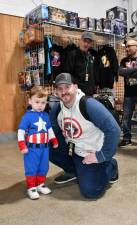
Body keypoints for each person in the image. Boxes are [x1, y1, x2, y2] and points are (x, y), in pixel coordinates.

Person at [49, 73, 121, 199]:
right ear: (56, 92)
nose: (63, 91)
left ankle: (111, 165)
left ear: (75, 87)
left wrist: (101, 155)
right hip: (74, 150)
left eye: (67, 87)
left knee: (91, 191)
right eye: (60, 88)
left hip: (91, 152)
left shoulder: (89, 105)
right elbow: (52, 131)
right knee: (44, 145)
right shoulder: (57, 108)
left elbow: (114, 130)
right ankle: (73, 170)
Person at [17, 86, 58, 200]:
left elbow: (49, 129)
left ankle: (40, 184)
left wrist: (53, 140)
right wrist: (22, 145)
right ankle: (31, 187)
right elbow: (20, 131)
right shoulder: (27, 116)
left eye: (43, 102)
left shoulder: (45, 115)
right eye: (37, 102)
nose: (40, 105)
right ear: (30, 101)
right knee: (32, 167)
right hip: (32, 149)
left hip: (45, 148)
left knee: (44, 167)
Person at [62, 31, 96, 96]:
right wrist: (73, 87)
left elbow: (91, 76)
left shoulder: (90, 57)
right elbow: (67, 73)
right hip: (76, 92)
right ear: (80, 41)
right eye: (84, 41)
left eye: (89, 42)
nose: (86, 44)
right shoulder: (72, 55)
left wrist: (93, 90)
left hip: (88, 93)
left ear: (91, 44)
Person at [119, 38, 137, 148]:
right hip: (128, 94)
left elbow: (125, 72)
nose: (127, 48)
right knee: (126, 117)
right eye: (126, 46)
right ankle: (126, 139)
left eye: (129, 46)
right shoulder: (124, 60)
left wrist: (128, 72)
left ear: (136, 46)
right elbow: (121, 72)